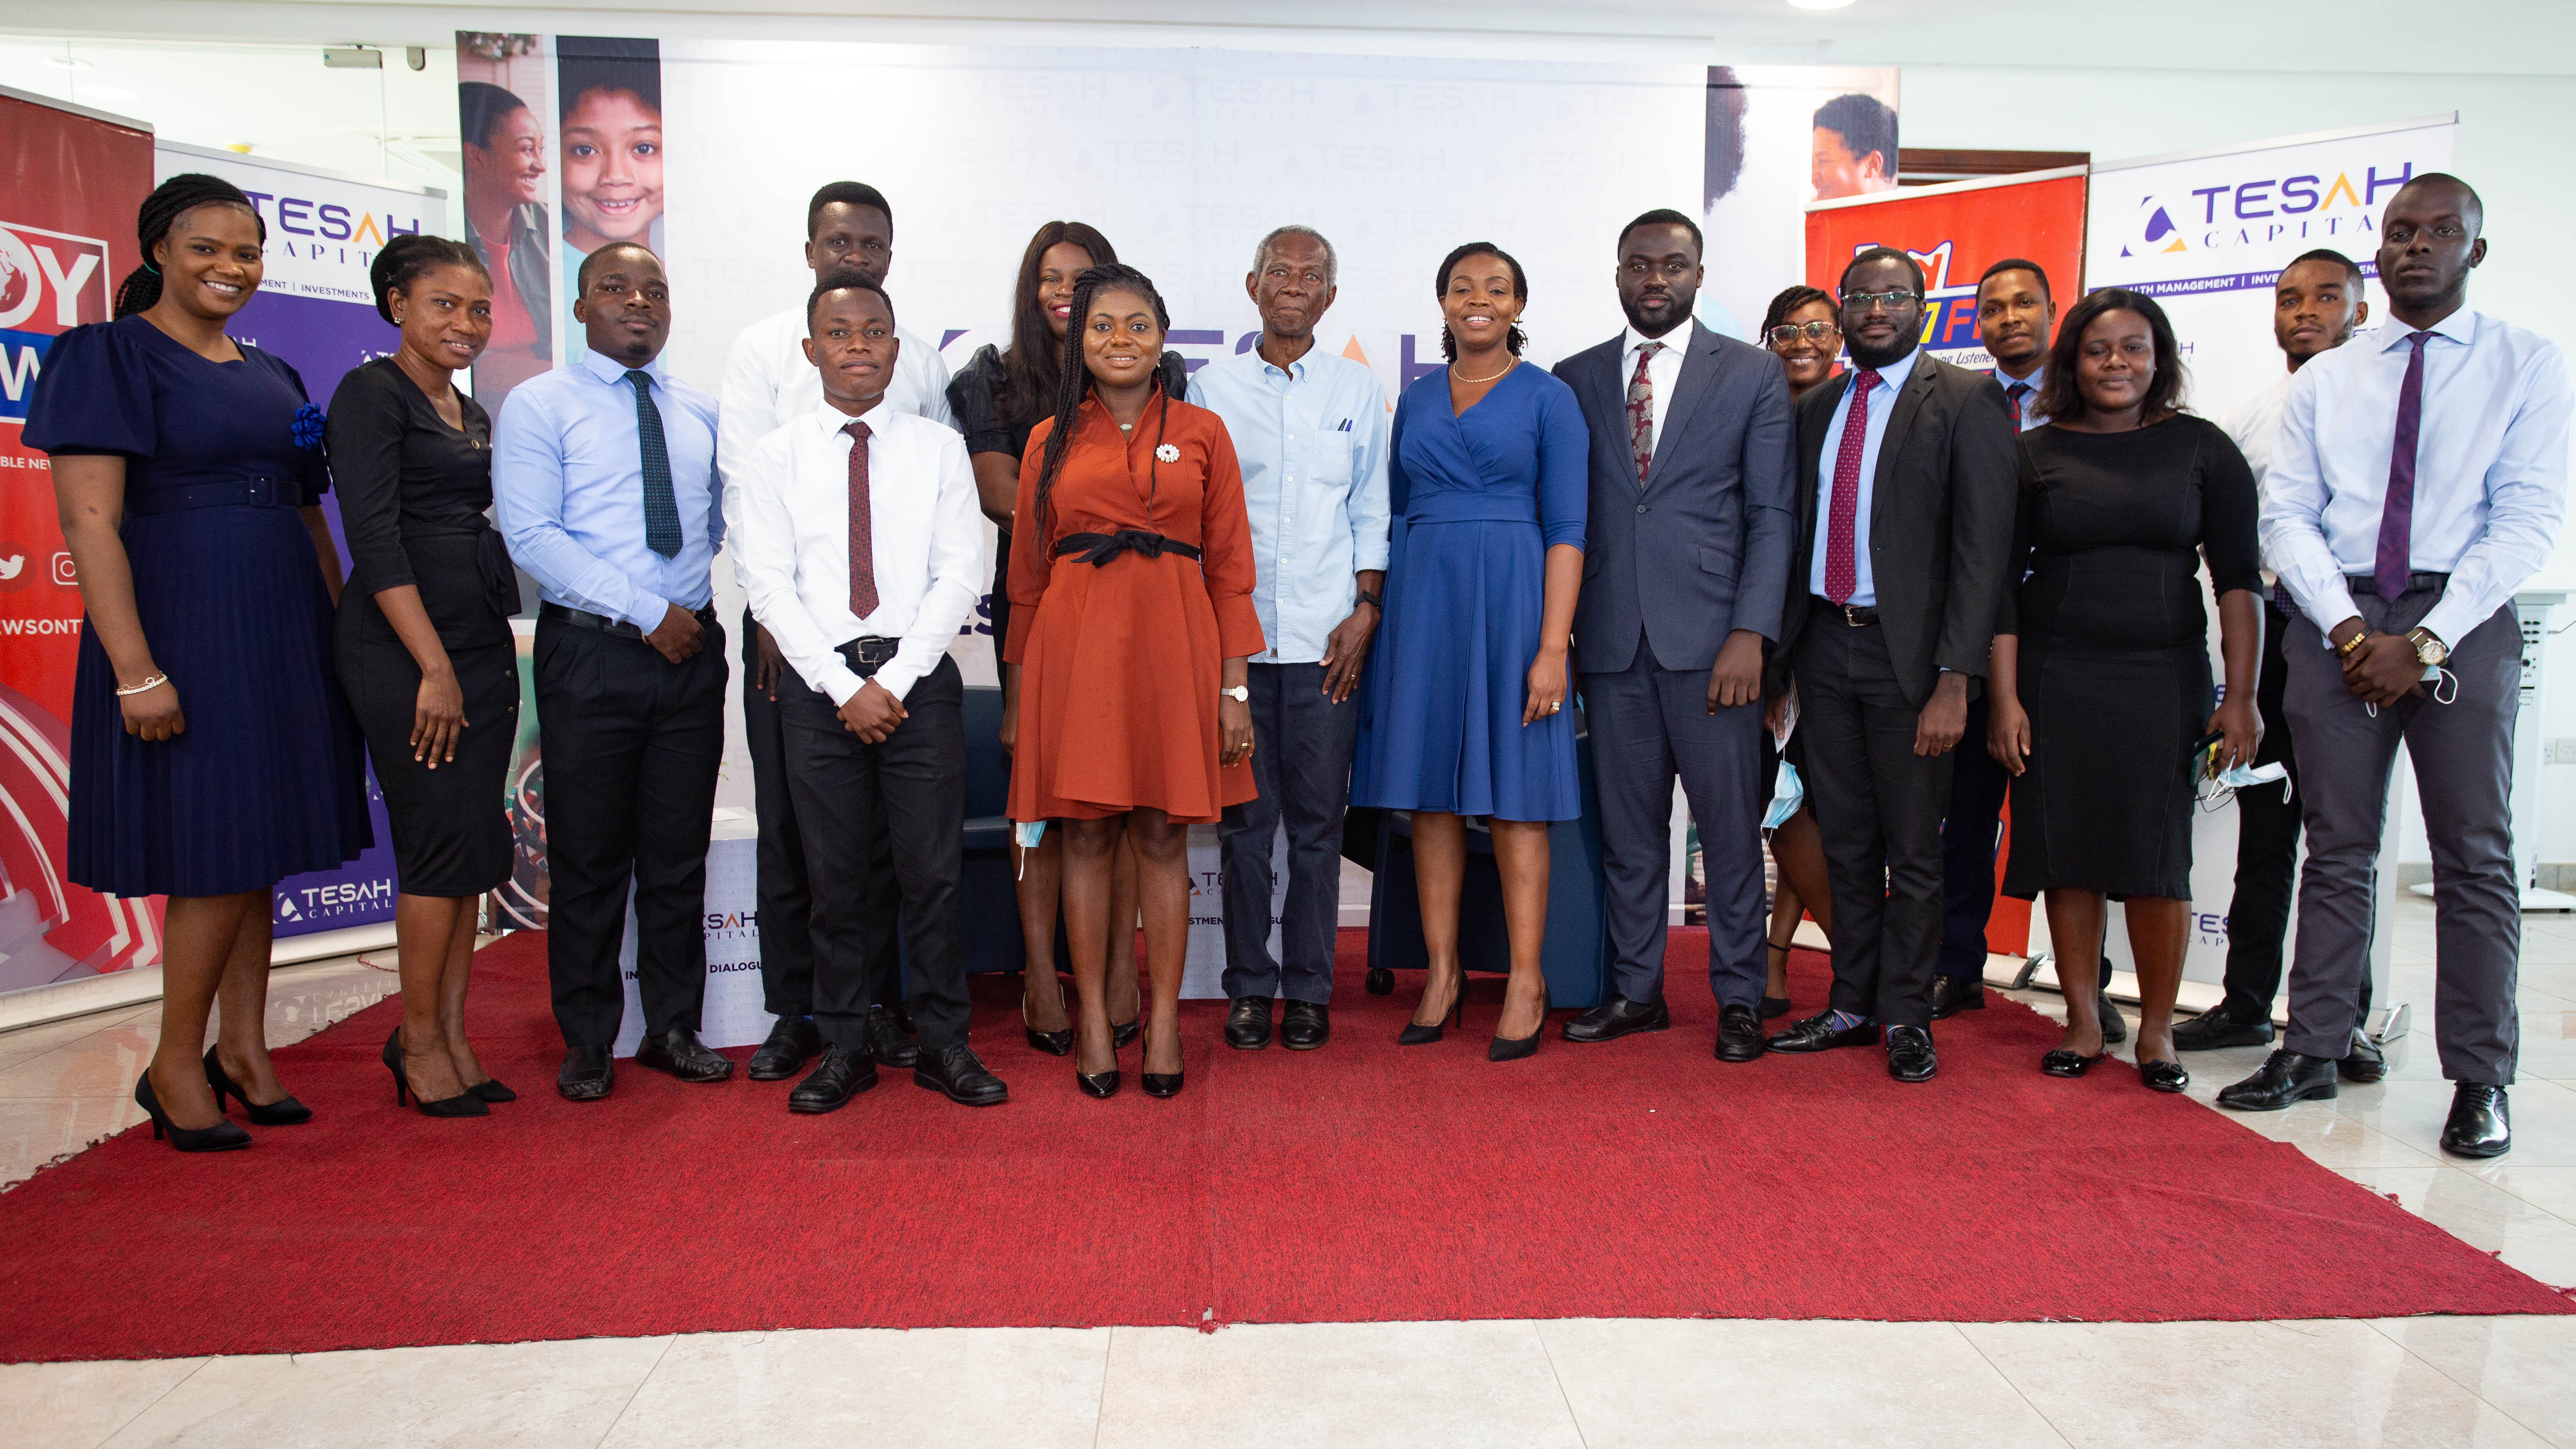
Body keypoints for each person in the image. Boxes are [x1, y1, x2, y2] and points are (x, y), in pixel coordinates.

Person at [25, 174, 372, 1151]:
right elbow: (89, 522)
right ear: (158, 253)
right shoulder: (108, 355)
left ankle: (246, 1053)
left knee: (255, 851)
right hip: (183, 618)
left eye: (247, 252)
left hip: (281, 622)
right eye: (206, 249)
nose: (230, 268)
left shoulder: (274, 373)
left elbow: (310, 512)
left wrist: (343, 632)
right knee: (214, 852)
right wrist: (135, 669)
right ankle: (176, 1060)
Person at [2226, 175, 2570, 1159]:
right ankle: (2312, 1047)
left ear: (2474, 250)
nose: (2414, 246)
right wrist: (2343, 631)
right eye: (2397, 232)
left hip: (2459, 617)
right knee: (2335, 848)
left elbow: (2527, 519)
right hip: (2335, 617)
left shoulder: (2524, 364)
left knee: (2475, 856)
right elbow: (2283, 512)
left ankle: (2480, 1078)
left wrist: (2423, 641)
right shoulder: (2329, 377)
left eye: (2438, 233)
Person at [736, 278, 1006, 1110]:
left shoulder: (936, 449)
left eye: (876, 331)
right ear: (811, 350)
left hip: (917, 684)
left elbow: (964, 569)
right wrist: (840, 685)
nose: (858, 345)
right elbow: (765, 583)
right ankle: (844, 1043)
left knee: (931, 875)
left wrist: (887, 681)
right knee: (835, 878)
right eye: (839, 332)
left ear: (897, 348)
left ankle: (942, 1044)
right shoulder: (774, 456)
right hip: (819, 691)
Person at [1986, 289, 2263, 1093]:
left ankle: (2154, 1031)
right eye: (2098, 349)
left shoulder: (2201, 449)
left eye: (2133, 347)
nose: (2116, 363)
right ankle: (2080, 1019)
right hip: (2053, 676)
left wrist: (2237, 694)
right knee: (2065, 855)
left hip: (2163, 678)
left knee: (2154, 859)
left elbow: (2238, 582)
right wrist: (2003, 700)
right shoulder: (2032, 453)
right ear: (2070, 360)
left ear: (2159, 356)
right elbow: (1998, 591)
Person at [1004, 263, 1261, 1099]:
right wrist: (1019, 698)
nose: (1120, 340)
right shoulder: (1048, 438)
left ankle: (1158, 1024)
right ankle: (1090, 1025)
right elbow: (1026, 580)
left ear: (1162, 338)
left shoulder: (1203, 431)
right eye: (1102, 326)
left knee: (1160, 837)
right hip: (1073, 659)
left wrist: (1233, 691)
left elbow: (1229, 570)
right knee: (1081, 837)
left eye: (1137, 325)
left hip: (1174, 653)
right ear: (1076, 342)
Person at [1763, 246, 2017, 1083]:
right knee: (1844, 838)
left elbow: (1983, 554)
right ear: (1842, 310)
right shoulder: (1820, 405)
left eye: (1892, 295)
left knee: (1913, 849)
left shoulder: (1967, 398)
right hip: (1824, 647)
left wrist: (1956, 678)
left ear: (1922, 307)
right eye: (1860, 296)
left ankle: (1907, 1015)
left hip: (1913, 662)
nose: (1875, 309)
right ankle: (1849, 1003)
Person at [718, 182, 952, 1083]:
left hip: (888, 645)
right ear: (809, 248)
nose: (855, 255)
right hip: (788, 632)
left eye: (871, 245)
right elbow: (744, 486)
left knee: (887, 844)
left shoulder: (919, 361)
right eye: (839, 241)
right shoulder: (761, 349)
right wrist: (775, 620)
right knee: (792, 833)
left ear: (889, 257)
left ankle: (876, 1010)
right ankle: (795, 1010)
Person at [1552, 209, 1793, 1063]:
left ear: (1697, 273)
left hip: (1714, 648)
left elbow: (1770, 516)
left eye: (1672, 265)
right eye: (1638, 265)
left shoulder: (1752, 374)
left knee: (1727, 833)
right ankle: (1634, 990)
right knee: (1628, 833)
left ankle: (1736, 996)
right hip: (1611, 644)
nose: (1654, 279)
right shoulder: (1573, 377)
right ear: (1616, 274)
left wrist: (1750, 633)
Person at [493, 241, 729, 1102]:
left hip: (690, 655)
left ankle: (673, 1028)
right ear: (582, 305)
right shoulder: (538, 404)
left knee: (676, 858)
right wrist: (645, 611)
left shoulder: (700, 409)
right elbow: (532, 536)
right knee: (591, 860)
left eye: (655, 290)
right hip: (591, 652)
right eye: (617, 288)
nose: (640, 302)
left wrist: (680, 616)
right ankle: (589, 1039)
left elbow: (708, 528)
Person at [1351, 242, 1587, 1062]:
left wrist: (1551, 646)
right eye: (1461, 287)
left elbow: (1567, 531)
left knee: (1518, 794)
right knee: (1428, 799)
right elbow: (1392, 512)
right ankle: (1442, 972)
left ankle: (1525, 978)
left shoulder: (1549, 398)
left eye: (1495, 288)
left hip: (1516, 600)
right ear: (1442, 303)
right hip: (1424, 604)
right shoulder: (1413, 401)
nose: (1476, 299)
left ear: (1518, 305)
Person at [948, 221, 1161, 1057]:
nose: (1066, 291)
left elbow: (1172, 492)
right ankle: (1041, 970)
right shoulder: (992, 377)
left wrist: (1096, 510)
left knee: (1122, 795)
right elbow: (1004, 496)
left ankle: (1111, 970)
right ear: (1029, 289)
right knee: (1037, 800)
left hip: (1140, 611)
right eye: (1050, 276)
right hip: (1040, 607)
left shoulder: (1158, 371)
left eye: (1084, 276)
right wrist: (1094, 509)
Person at [329, 235, 523, 1118]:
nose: (465, 323)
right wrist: (432, 667)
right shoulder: (372, 394)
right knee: (437, 850)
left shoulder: (466, 407)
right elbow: (371, 540)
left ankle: (449, 1033)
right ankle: (417, 1041)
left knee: (472, 851)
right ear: (396, 305)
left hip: (475, 642)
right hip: (408, 651)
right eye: (443, 304)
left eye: (478, 308)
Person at [1189, 224, 1391, 1053]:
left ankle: (1308, 990)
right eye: (1279, 271)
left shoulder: (1355, 391)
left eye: (1311, 276)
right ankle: (1247, 989)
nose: (1294, 284)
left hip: (1323, 649)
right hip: (1234, 646)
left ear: (1329, 298)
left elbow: (1370, 509)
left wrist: (1364, 610)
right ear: (1251, 286)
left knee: (1314, 831)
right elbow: (1196, 518)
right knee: (1243, 831)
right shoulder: (1208, 389)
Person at [2176, 248, 2374, 1063]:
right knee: (2265, 829)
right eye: (2289, 298)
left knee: (2342, 837)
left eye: (2326, 297)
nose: (2305, 311)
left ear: (2358, 312)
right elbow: (2230, 552)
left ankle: (2341, 1020)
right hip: (2273, 643)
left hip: (2352, 643)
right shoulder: (2249, 418)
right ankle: (2247, 1002)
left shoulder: (2385, 408)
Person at [1933, 259, 2110, 1030]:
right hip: (1972, 634)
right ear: (1977, 322)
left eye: (2024, 304)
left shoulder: (2088, 404)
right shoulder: (1959, 401)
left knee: (2074, 820)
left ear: (2050, 312)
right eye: (1993, 307)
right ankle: (1954, 968)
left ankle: (2087, 988)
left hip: (2065, 631)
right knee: (1963, 814)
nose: (2009, 318)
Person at [1754, 285, 1841, 1015]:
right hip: (1761, 633)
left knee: (1798, 804)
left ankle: (1848, 953)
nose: (1802, 341)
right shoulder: (1754, 411)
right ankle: (1783, 960)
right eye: (1787, 330)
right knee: (1781, 804)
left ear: (1839, 340)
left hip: (1830, 635)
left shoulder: (1855, 413)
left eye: (1817, 329)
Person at [456, 81, 550, 400]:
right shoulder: (439, 236)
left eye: (541, 150)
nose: (541, 166)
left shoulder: (552, 229)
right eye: (527, 149)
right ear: (476, 156)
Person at [556, 40, 664, 260]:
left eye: (643, 148)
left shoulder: (689, 276)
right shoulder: (532, 276)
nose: (615, 176)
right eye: (585, 150)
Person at [1811, 93, 1899, 201]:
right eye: (1812, 164)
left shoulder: (1914, 216)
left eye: (1822, 161)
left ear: (1872, 165)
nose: (1812, 177)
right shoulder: (1811, 215)